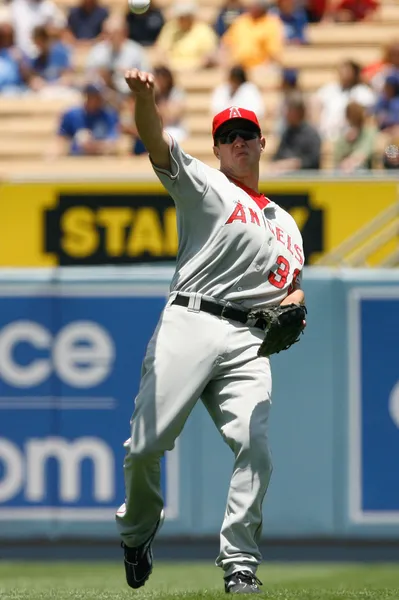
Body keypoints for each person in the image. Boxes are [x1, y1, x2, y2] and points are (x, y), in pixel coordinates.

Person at [116, 68, 305, 594]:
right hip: (192, 320)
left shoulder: (286, 224)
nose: (237, 141)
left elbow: (292, 285)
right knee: (145, 447)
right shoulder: (206, 184)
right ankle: (136, 531)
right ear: (217, 149)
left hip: (249, 341)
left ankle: (240, 562)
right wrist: (145, 100)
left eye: (246, 134)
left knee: (255, 445)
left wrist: (296, 303)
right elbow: (155, 140)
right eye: (227, 136)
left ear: (263, 142)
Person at [311, 59, 376, 141]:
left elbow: (367, 115)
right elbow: (315, 102)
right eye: (341, 70)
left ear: (354, 73)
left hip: (349, 134)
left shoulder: (362, 91)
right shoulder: (330, 88)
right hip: (325, 133)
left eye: (347, 70)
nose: (343, 73)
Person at [86, 15, 150, 96]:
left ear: (124, 32)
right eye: (106, 33)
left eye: (114, 33)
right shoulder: (97, 51)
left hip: (129, 96)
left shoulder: (136, 52)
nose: (109, 37)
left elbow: (146, 78)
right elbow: (88, 78)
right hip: (102, 99)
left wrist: (127, 73)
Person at [53, 81, 119, 156]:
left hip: (101, 159)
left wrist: (94, 146)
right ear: (86, 96)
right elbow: (61, 137)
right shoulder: (71, 114)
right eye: (92, 96)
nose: (95, 100)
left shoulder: (109, 115)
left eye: (98, 96)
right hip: (75, 159)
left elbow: (113, 141)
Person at [220, 0, 284, 70]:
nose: (253, 8)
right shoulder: (242, 20)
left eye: (256, 6)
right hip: (237, 66)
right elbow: (226, 41)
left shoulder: (272, 23)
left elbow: (274, 51)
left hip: (260, 67)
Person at [155, 1, 218, 71]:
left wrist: (193, 66)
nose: (181, 19)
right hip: (172, 70)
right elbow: (161, 50)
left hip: (197, 72)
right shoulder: (170, 28)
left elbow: (208, 56)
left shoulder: (204, 31)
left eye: (185, 17)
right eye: (180, 17)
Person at [270, 92, 321, 173]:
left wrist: (296, 164)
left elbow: (314, 161)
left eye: (289, 110)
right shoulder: (287, 133)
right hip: (285, 178)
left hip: (305, 180)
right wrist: (278, 164)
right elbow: (277, 157)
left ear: (299, 112)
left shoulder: (312, 134)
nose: (286, 114)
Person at [333, 101, 378, 172]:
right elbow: (338, 153)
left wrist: (351, 161)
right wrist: (347, 140)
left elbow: (364, 151)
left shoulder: (369, 131)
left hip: (362, 169)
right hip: (342, 168)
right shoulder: (345, 133)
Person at [27, 25, 73, 93]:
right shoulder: (36, 60)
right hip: (43, 94)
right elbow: (33, 82)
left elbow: (67, 79)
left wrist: (50, 85)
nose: (39, 45)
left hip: (60, 92)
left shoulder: (61, 55)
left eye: (42, 41)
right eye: (37, 42)